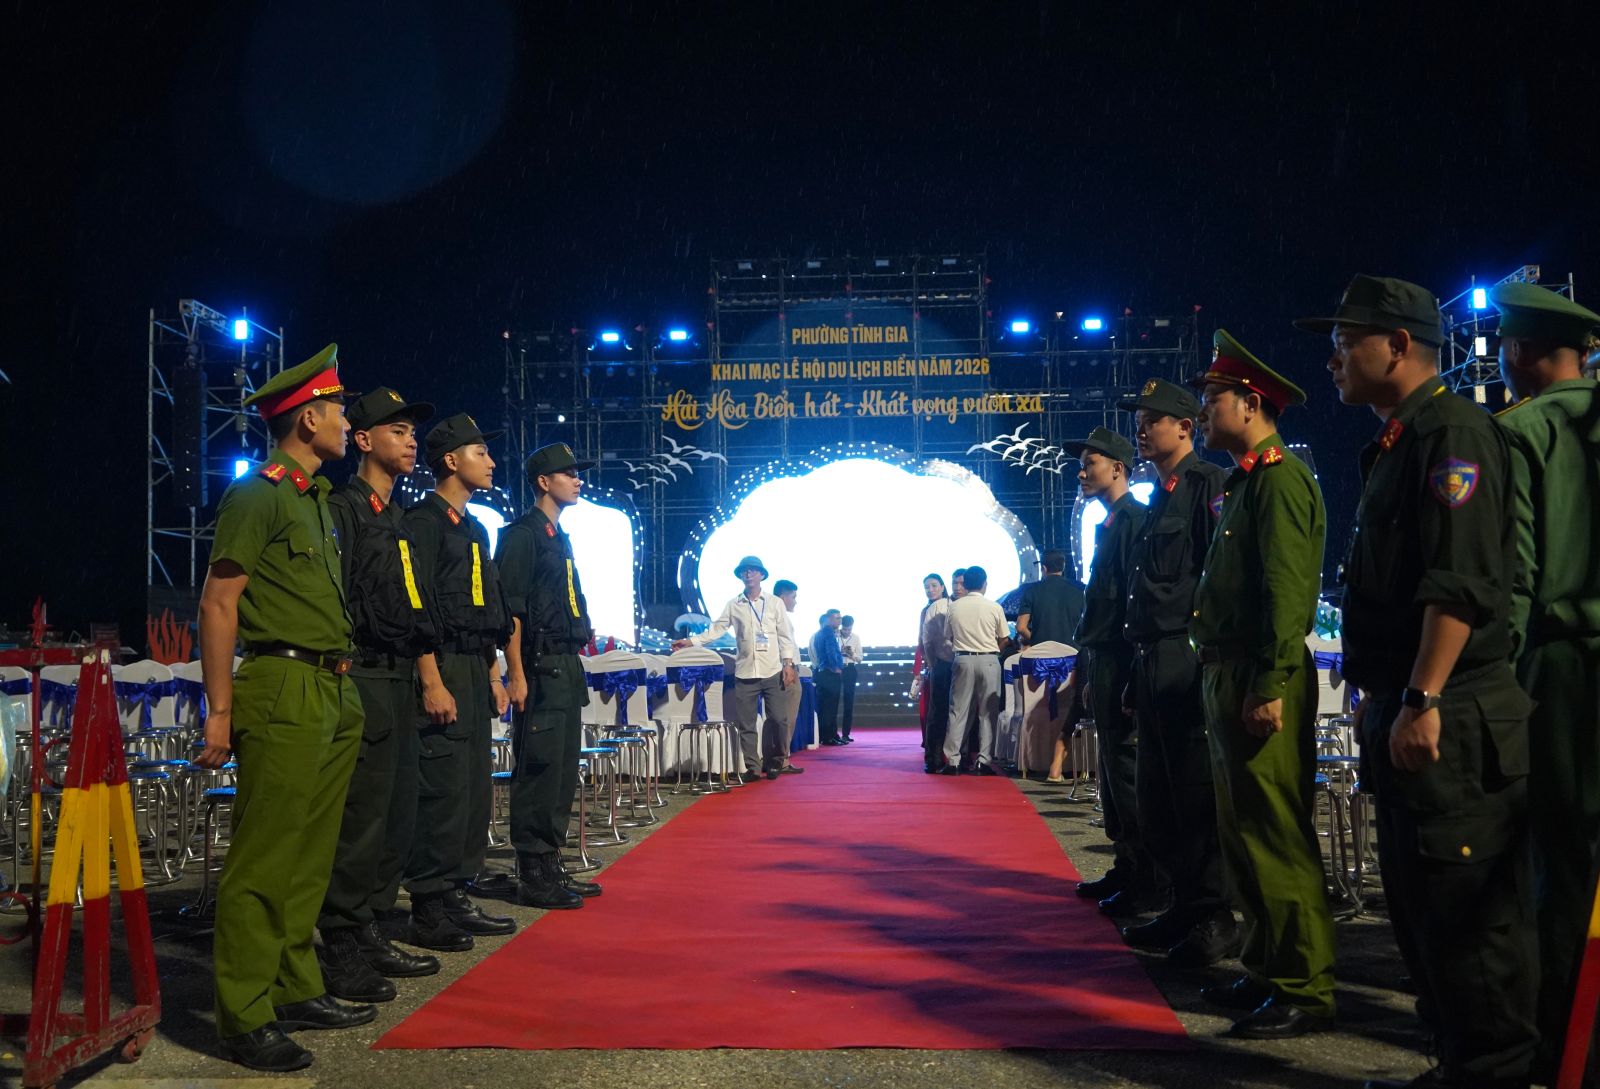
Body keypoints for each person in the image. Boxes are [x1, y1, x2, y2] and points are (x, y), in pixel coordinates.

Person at [1297, 275, 1535, 1089]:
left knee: (1469, 923)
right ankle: (1456, 1064)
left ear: (1398, 345)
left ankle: (1490, 1072)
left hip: (1451, 715)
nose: (1333, 358)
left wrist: (1424, 694)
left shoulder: (1454, 432)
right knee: (1421, 912)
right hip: (1409, 706)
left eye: (1345, 341)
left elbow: (1458, 580)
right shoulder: (1401, 440)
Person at [197, 344, 372, 1072]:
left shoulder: (314, 500)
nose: (346, 422)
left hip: (331, 685)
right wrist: (219, 709)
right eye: (337, 410)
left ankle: (295, 984)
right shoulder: (259, 494)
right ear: (307, 419)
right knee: (265, 855)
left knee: (308, 854)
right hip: (284, 684)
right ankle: (243, 1013)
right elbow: (218, 602)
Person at [1191, 330, 1334, 1038]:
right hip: (1231, 669)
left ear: (1250, 403)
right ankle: (1268, 966)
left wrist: (1271, 680)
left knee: (1275, 830)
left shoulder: (1278, 478)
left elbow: (1286, 589)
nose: (1203, 413)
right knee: (1243, 830)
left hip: (1258, 671)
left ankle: (1304, 984)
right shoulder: (1247, 480)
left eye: (1212, 399)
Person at [1490, 282, 1600, 1082]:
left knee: (1559, 863)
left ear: (1521, 351)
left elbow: (1518, 580)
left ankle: (1564, 1041)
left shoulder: (1521, 431)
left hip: (1561, 670)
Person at [316, 387, 442, 1005]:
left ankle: (369, 927)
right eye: (397, 431)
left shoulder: (397, 516)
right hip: (362, 673)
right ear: (363, 440)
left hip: (399, 677)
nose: (411, 441)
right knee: (361, 819)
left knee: (395, 817)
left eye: (412, 432)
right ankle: (340, 940)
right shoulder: (343, 510)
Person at [1113, 379, 1231, 953]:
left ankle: (1212, 915)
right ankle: (1183, 907)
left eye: (1152, 420)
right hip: (1150, 656)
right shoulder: (1161, 492)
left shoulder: (1207, 484)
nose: (1141, 429)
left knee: (1193, 790)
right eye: (1139, 421)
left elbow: (1218, 573)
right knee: (1159, 796)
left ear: (1185, 427)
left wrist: (1204, 654)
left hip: (1184, 652)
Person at [401, 414, 517, 949]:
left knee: (472, 789)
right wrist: (430, 679)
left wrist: (494, 673)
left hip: (473, 666)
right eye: (480, 452)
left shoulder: (474, 527)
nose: (490, 462)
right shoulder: (422, 523)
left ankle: (455, 894)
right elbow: (416, 606)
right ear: (451, 460)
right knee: (442, 788)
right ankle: (428, 905)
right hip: (442, 664)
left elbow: (486, 609)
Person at [496, 443, 603, 911]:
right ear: (543, 481)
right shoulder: (522, 535)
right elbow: (512, 611)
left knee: (561, 771)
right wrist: (515, 673)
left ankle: (550, 861)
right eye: (568, 473)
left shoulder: (558, 536)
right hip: (538, 667)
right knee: (538, 770)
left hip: (565, 665)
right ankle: (532, 872)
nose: (578, 480)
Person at [1053, 429, 1151, 904]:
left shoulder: (1134, 520)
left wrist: (1130, 676)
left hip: (1124, 659)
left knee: (1128, 770)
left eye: (1090, 463)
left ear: (1117, 468)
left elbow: (1136, 605)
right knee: (1111, 770)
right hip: (1104, 660)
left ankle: (1146, 877)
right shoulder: (1110, 523)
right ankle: (1126, 865)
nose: (1082, 472)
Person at [675, 557, 797, 781]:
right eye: (744, 571)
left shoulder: (774, 603)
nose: (749, 574)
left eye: (753, 571)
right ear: (741, 576)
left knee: (779, 719)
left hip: (772, 670)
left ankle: (775, 761)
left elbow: (784, 636)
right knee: (746, 723)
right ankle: (753, 767)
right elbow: (716, 629)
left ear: (762, 575)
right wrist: (691, 641)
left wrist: (788, 664)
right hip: (745, 672)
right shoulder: (734, 604)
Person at [939, 564, 1009, 775]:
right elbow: (1004, 638)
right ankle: (983, 761)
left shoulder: (954, 607)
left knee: (958, 711)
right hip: (989, 659)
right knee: (988, 712)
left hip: (962, 659)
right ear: (985, 584)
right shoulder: (994, 607)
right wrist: (994, 653)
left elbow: (947, 637)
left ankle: (953, 761)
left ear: (965, 585)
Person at [765, 579, 805, 777]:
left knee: (779, 719)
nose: (795, 601)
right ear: (782, 597)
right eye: (793, 597)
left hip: (787, 668)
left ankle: (776, 759)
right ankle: (781, 759)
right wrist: (787, 667)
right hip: (786, 670)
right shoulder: (776, 617)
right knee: (785, 718)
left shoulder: (777, 616)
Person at [917, 574, 953, 773]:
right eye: (926, 587)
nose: (930, 590)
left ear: (942, 586)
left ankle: (952, 755)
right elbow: (923, 640)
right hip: (939, 664)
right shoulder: (926, 610)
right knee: (936, 710)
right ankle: (933, 756)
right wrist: (930, 664)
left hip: (955, 663)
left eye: (933, 586)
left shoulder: (953, 605)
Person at [1016, 549, 1085, 648]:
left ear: (1043, 568)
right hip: (1072, 652)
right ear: (1063, 566)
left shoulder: (1031, 591)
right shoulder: (1079, 590)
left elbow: (1021, 627)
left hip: (1042, 653)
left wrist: (1036, 642)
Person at [810, 609, 846, 745]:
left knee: (828, 706)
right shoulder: (828, 632)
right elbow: (830, 651)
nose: (840, 621)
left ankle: (831, 734)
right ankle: (828, 736)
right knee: (830, 707)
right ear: (829, 619)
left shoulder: (821, 633)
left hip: (824, 673)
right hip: (829, 673)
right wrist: (836, 667)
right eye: (837, 618)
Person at [839, 615, 862, 742]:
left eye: (849, 629)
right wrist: (839, 652)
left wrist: (851, 653)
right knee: (834, 701)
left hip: (850, 669)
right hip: (837, 669)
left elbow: (860, 659)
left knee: (849, 701)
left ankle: (846, 734)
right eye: (845, 629)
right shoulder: (835, 636)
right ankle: (832, 733)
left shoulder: (856, 638)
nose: (847, 631)